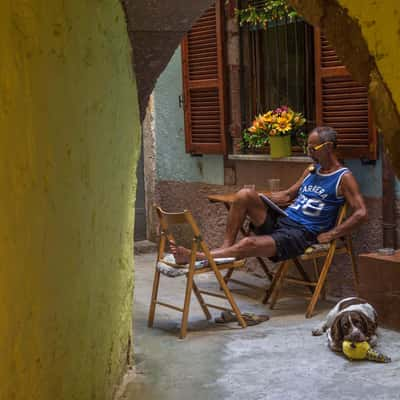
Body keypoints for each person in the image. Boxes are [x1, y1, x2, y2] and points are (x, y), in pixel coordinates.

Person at [172, 126, 368, 264]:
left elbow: (361, 213)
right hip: (284, 220)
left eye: (313, 148)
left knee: (248, 242)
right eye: (307, 148)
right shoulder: (310, 170)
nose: (309, 153)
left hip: (301, 233)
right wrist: (259, 197)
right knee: (244, 194)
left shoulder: (343, 177)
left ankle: (197, 257)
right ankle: (226, 247)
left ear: (329, 147)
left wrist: (332, 234)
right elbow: (287, 196)